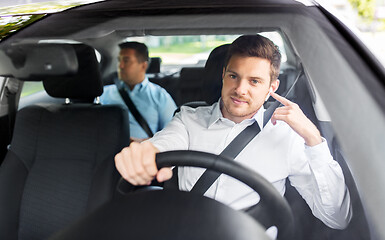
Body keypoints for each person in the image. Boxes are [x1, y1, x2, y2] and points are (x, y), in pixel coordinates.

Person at [114, 35, 352, 231]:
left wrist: (313, 139)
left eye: (255, 81)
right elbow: (163, 143)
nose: (240, 89)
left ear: (272, 87)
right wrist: (144, 154)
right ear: (223, 75)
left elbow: (337, 218)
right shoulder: (188, 119)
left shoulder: (288, 136)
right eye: (233, 76)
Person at [100, 42, 177, 142]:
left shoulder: (160, 96)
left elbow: (173, 135)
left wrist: (141, 143)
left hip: (143, 153)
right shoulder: (103, 93)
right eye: (119, 61)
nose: (121, 66)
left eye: (126, 61)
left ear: (143, 66)